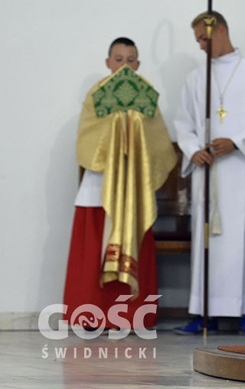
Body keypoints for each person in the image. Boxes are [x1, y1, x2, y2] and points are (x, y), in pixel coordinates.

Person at [63, 37, 176, 331]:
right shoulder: (96, 95)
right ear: (107, 62)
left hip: (134, 191)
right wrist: (119, 125)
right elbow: (88, 138)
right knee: (93, 250)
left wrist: (135, 125)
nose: (124, 65)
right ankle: (90, 314)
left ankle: (131, 315)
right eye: (118, 59)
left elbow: (158, 144)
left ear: (137, 64)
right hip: (99, 188)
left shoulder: (146, 98)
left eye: (130, 60)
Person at [174, 11, 245, 335]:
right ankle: (203, 313)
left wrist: (235, 142)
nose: (201, 47)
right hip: (210, 174)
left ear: (219, 30)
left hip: (242, 169)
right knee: (208, 242)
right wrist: (194, 150)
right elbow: (184, 124)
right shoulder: (195, 78)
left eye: (203, 39)